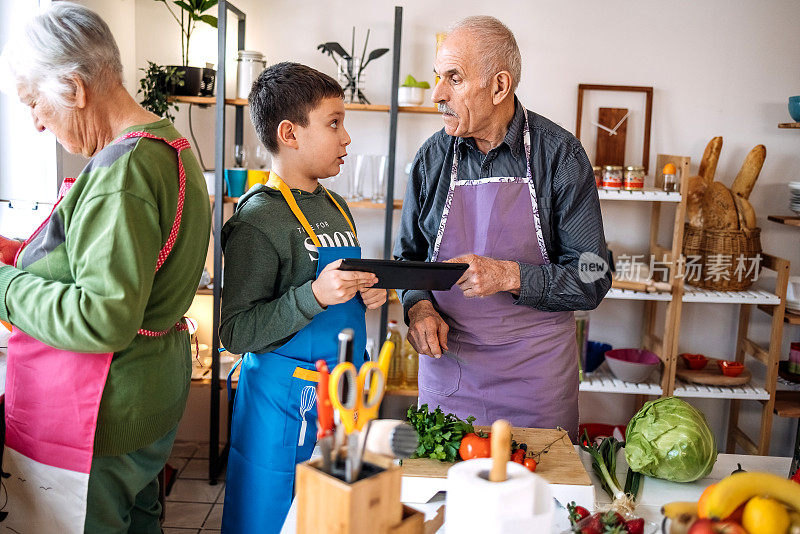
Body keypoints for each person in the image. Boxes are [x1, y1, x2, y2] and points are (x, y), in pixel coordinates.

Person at [0, 3, 211, 532]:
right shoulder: (170, 146)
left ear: (74, 88)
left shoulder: (124, 171)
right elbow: (109, 257)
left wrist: (4, 285)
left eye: (34, 102)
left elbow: (102, 318)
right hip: (149, 400)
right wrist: (18, 254)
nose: (35, 121)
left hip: (100, 415)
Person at [394, 16, 611, 440]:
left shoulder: (561, 156)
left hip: (537, 380)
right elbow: (408, 260)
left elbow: (593, 276)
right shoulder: (431, 159)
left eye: (453, 78)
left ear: (499, 86)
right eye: (438, 77)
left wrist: (510, 275)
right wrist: (417, 306)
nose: (437, 94)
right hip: (450, 374)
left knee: (538, 499)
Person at [219, 62, 386, 534]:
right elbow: (236, 333)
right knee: (269, 520)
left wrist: (363, 291)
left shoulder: (336, 204)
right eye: (334, 123)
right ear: (289, 133)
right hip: (282, 402)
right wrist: (313, 294)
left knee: (330, 520)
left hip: (342, 395)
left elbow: (338, 285)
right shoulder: (258, 220)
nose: (346, 137)